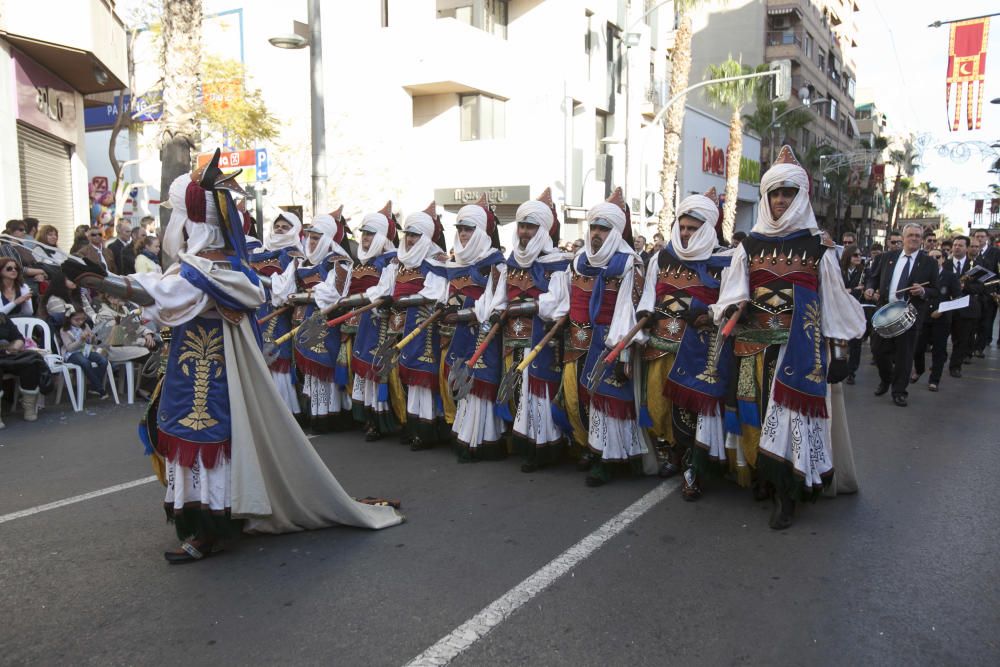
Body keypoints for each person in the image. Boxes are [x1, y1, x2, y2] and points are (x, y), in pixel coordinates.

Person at [61, 155, 401, 563]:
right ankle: (206, 522)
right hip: (191, 369)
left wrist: (104, 282)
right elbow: (167, 293)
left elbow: (169, 293)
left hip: (212, 376)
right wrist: (112, 287)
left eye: (179, 217)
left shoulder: (216, 269)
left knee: (205, 442)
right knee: (188, 439)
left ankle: (211, 528)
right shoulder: (203, 265)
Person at [712, 146, 866, 529]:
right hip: (751, 347)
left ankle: (788, 494)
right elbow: (730, 294)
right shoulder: (748, 246)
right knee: (756, 416)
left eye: (788, 193)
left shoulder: (820, 247)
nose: (780, 200)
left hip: (801, 352)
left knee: (793, 424)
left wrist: (841, 350)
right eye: (775, 193)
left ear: (801, 196)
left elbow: (833, 301)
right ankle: (766, 477)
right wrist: (733, 307)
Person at [636, 188, 734, 499]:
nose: (686, 232)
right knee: (658, 405)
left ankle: (694, 467)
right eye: (682, 226)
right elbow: (649, 296)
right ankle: (672, 454)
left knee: (691, 412)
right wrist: (645, 314)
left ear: (708, 228)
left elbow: (730, 303)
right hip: (660, 344)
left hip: (699, 350)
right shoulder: (663, 257)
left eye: (693, 228)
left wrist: (708, 313)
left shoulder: (724, 260)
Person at [549, 188, 651, 486]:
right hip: (577, 342)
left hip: (610, 343)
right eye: (593, 227)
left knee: (611, 403)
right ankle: (591, 449)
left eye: (603, 229)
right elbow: (565, 299)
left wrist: (622, 351)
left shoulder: (628, 263)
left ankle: (610, 459)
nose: (596, 233)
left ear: (616, 231)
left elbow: (627, 312)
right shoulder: (578, 261)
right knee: (578, 398)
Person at [496, 188, 573, 472]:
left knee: (538, 391)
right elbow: (500, 297)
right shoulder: (510, 262)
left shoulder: (557, 263)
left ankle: (545, 448)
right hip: (512, 337)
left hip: (541, 337)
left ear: (543, 229)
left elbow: (557, 304)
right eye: (522, 226)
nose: (525, 232)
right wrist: (498, 310)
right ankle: (524, 442)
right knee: (518, 391)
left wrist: (525, 307)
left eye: (531, 226)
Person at [436, 195, 508, 462]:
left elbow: (494, 301)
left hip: (481, 330)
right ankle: (466, 434)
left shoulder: (494, 262)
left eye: (469, 229)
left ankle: (484, 439)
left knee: (479, 386)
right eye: (460, 229)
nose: (464, 234)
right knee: (462, 384)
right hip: (458, 332)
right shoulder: (454, 262)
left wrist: (466, 313)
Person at [272, 211, 354, 432]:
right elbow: (284, 288)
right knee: (308, 370)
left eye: (316, 238)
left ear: (327, 239)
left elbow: (334, 292)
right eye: (309, 237)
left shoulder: (338, 260)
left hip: (325, 319)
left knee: (323, 367)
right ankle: (315, 414)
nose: (311, 241)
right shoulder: (301, 262)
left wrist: (307, 293)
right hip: (302, 320)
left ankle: (330, 415)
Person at [382, 204, 450, 451]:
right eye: (407, 234)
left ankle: (428, 429)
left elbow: (436, 293)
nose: (409, 240)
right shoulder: (397, 260)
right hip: (399, 323)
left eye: (415, 235)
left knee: (422, 376)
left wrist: (406, 301)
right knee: (406, 375)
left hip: (423, 324)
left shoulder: (435, 260)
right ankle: (412, 427)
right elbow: (385, 289)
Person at [865, 221, 940, 407]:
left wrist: (923, 292)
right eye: (910, 235)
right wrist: (869, 289)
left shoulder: (929, 263)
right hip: (884, 312)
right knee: (878, 351)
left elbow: (936, 290)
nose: (914, 239)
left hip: (910, 316)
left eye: (917, 236)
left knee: (904, 356)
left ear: (921, 240)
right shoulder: (887, 257)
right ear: (904, 238)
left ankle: (899, 391)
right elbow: (873, 278)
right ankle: (886, 378)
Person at [346, 203, 403, 442]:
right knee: (361, 369)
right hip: (360, 320)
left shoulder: (391, 261)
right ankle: (367, 417)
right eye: (363, 233)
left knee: (378, 369)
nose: (365, 238)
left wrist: (364, 299)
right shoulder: (358, 261)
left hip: (380, 321)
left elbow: (385, 290)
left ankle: (382, 420)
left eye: (370, 234)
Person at [249, 211, 304, 416]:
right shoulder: (259, 252)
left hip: (279, 312)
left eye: (285, 227)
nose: (280, 230)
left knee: (277, 357)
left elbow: (285, 290)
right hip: (257, 310)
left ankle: (283, 411)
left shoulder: (294, 255)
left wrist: (261, 280)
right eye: (277, 226)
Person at [912, 248, 957, 392]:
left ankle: (934, 380)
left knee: (938, 351)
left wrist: (942, 310)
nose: (934, 260)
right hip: (923, 317)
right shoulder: (922, 275)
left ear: (943, 259)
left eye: (937, 257)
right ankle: (919, 370)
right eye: (930, 257)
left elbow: (958, 298)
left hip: (941, 320)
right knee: (918, 348)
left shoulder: (950, 276)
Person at [0, 311, 49, 425]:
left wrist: (15, 347)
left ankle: (29, 408)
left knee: (29, 364)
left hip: (8, 355)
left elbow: (19, 338)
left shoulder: (3, 318)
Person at [948, 236, 982, 377]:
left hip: (966, 309)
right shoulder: (945, 264)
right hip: (947, 307)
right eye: (955, 244)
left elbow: (980, 287)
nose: (957, 247)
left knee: (961, 340)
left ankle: (955, 366)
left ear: (967, 248)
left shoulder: (976, 266)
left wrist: (965, 286)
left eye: (960, 245)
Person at [60, 309, 110, 398]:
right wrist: (81, 340)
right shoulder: (64, 330)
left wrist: (93, 337)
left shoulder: (85, 326)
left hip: (86, 350)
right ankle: (100, 389)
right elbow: (69, 348)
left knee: (103, 361)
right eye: (77, 319)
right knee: (85, 362)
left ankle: (94, 387)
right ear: (69, 319)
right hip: (72, 354)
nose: (80, 322)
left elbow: (92, 342)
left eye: (83, 319)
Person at [971, 229, 999, 354]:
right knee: (973, 322)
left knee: (986, 322)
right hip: (974, 292)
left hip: (990, 293)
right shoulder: (971, 252)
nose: (980, 239)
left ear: (987, 238)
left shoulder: (996, 252)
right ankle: (969, 348)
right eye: (977, 236)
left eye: (982, 236)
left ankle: (979, 348)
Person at [840, 244, 865, 384]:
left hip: (857, 309)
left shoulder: (864, 271)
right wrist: (853, 289)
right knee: (841, 340)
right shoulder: (839, 270)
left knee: (856, 342)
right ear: (848, 256)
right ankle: (840, 367)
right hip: (842, 309)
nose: (858, 258)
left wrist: (850, 290)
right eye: (855, 255)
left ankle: (852, 371)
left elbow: (863, 289)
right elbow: (837, 289)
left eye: (860, 255)